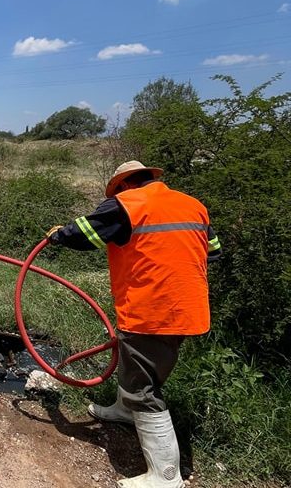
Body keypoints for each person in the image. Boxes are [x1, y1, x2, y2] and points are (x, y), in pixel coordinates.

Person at [46, 161, 221, 488]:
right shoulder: (193, 205)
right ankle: (125, 412)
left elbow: (84, 233)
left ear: (123, 185)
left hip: (152, 311)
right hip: (189, 309)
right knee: (139, 370)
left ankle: (166, 476)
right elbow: (213, 251)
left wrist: (58, 235)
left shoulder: (127, 204)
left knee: (144, 388)